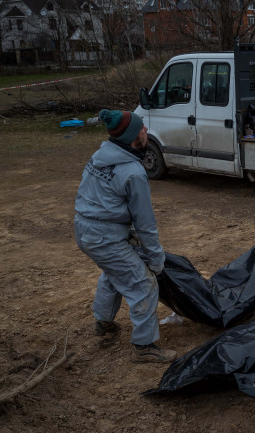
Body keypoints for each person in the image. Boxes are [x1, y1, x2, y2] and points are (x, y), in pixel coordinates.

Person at [74, 109, 177, 364]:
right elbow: (145, 223)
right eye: (142, 128)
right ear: (134, 137)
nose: (146, 131)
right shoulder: (132, 171)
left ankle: (104, 322)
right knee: (143, 283)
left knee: (116, 271)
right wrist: (155, 260)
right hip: (105, 236)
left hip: (85, 229)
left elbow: (101, 200)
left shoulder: (100, 156)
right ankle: (145, 346)